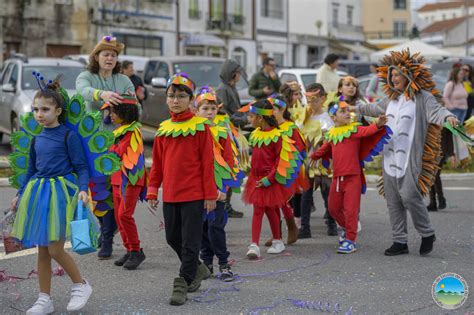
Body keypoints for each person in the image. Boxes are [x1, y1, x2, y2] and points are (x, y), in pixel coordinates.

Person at [354, 49, 458, 256]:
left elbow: (437, 111)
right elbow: (372, 109)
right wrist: (353, 108)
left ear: (410, 75)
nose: (394, 79)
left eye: (397, 75)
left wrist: (448, 118)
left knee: (410, 196)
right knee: (393, 200)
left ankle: (427, 233)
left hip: (410, 158)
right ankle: (399, 241)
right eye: (391, 75)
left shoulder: (422, 98)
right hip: (389, 156)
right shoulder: (390, 100)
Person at [10, 80, 92, 313]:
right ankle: (44, 298)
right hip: (37, 195)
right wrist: (19, 193)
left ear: (58, 111)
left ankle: (81, 284)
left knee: (55, 249)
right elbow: (31, 171)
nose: (39, 114)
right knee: (43, 251)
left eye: (45, 109)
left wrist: (83, 189)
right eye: (35, 109)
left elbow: (81, 167)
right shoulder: (37, 139)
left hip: (60, 194)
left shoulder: (68, 136)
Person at [147, 73, 216, 305]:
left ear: (191, 99)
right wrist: (152, 189)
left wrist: (209, 194)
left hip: (195, 195)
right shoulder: (164, 129)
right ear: (166, 99)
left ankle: (183, 282)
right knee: (171, 237)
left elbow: (208, 163)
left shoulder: (201, 128)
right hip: (171, 194)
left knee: (190, 242)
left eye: (181, 96)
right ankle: (197, 268)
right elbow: (156, 164)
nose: (176, 100)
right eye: (172, 96)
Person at [75, 36, 135, 259]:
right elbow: (83, 90)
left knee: (114, 191)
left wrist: (124, 105)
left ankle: (107, 238)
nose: (110, 58)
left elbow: (134, 105)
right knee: (98, 191)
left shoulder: (123, 80)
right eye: (105, 54)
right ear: (96, 57)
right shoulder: (86, 76)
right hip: (93, 144)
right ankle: (106, 229)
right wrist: (102, 95)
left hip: (119, 143)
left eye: (113, 55)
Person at [311, 99, 390, 253]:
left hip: (353, 178)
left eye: (348, 110)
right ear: (334, 118)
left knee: (351, 210)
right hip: (337, 178)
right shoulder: (332, 134)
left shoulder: (354, 130)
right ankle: (348, 229)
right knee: (333, 209)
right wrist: (311, 157)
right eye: (343, 111)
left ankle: (350, 240)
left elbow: (368, 131)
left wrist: (378, 124)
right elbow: (323, 150)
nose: (348, 113)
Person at [241, 99, 304, 259]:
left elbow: (280, 161)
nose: (249, 119)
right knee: (269, 210)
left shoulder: (278, 136)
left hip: (269, 181)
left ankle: (254, 244)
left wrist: (269, 179)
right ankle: (277, 240)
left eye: (251, 116)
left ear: (260, 118)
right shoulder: (255, 134)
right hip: (256, 179)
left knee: (260, 210)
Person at [193, 86, 241, 282]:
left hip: (218, 188)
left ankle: (223, 263)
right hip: (198, 190)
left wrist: (224, 189)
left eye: (213, 109)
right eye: (205, 108)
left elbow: (230, 162)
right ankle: (207, 263)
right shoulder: (193, 132)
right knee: (202, 227)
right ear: (196, 111)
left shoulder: (222, 132)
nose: (210, 112)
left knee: (215, 227)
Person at [102, 95, 147, 270]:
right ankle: (129, 249)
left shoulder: (132, 131)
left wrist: (110, 151)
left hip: (130, 180)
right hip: (117, 179)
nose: (110, 115)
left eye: (114, 111)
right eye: (110, 111)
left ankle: (136, 251)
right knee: (118, 217)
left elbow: (122, 153)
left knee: (124, 215)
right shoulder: (118, 132)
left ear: (126, 112)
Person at [265, 96, 307, 245]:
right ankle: (277, 234)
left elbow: (301, 149)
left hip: (286, 170)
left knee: (280, 201)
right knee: (271, 203)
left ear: (282, 110)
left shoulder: (290, 127)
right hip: (270, 170)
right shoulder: (268, 127)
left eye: (273, 109)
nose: (270, 112)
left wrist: (288, 163)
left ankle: (291, 228)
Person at [297, 83, 335, 238]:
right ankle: (305, 228)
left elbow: (330, 140)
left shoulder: (327, 119)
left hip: (323, 163)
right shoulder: (304, 117)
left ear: (323, 99)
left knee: (327, 194)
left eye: (314, 99)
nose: (311, 103)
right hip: (307, 163)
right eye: (309, 100)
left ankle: (331, 224)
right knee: (306, 195)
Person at [216, 59, 246, 218]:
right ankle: (224, 204)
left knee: (234, 168)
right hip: (227, 132)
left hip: (234, 130)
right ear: (232, 74)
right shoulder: (223, 90)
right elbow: (224, 113)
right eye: (238, 72)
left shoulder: (230, 87)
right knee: (229, 168)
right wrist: (243, 119)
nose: (240, 75)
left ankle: (227, 203)